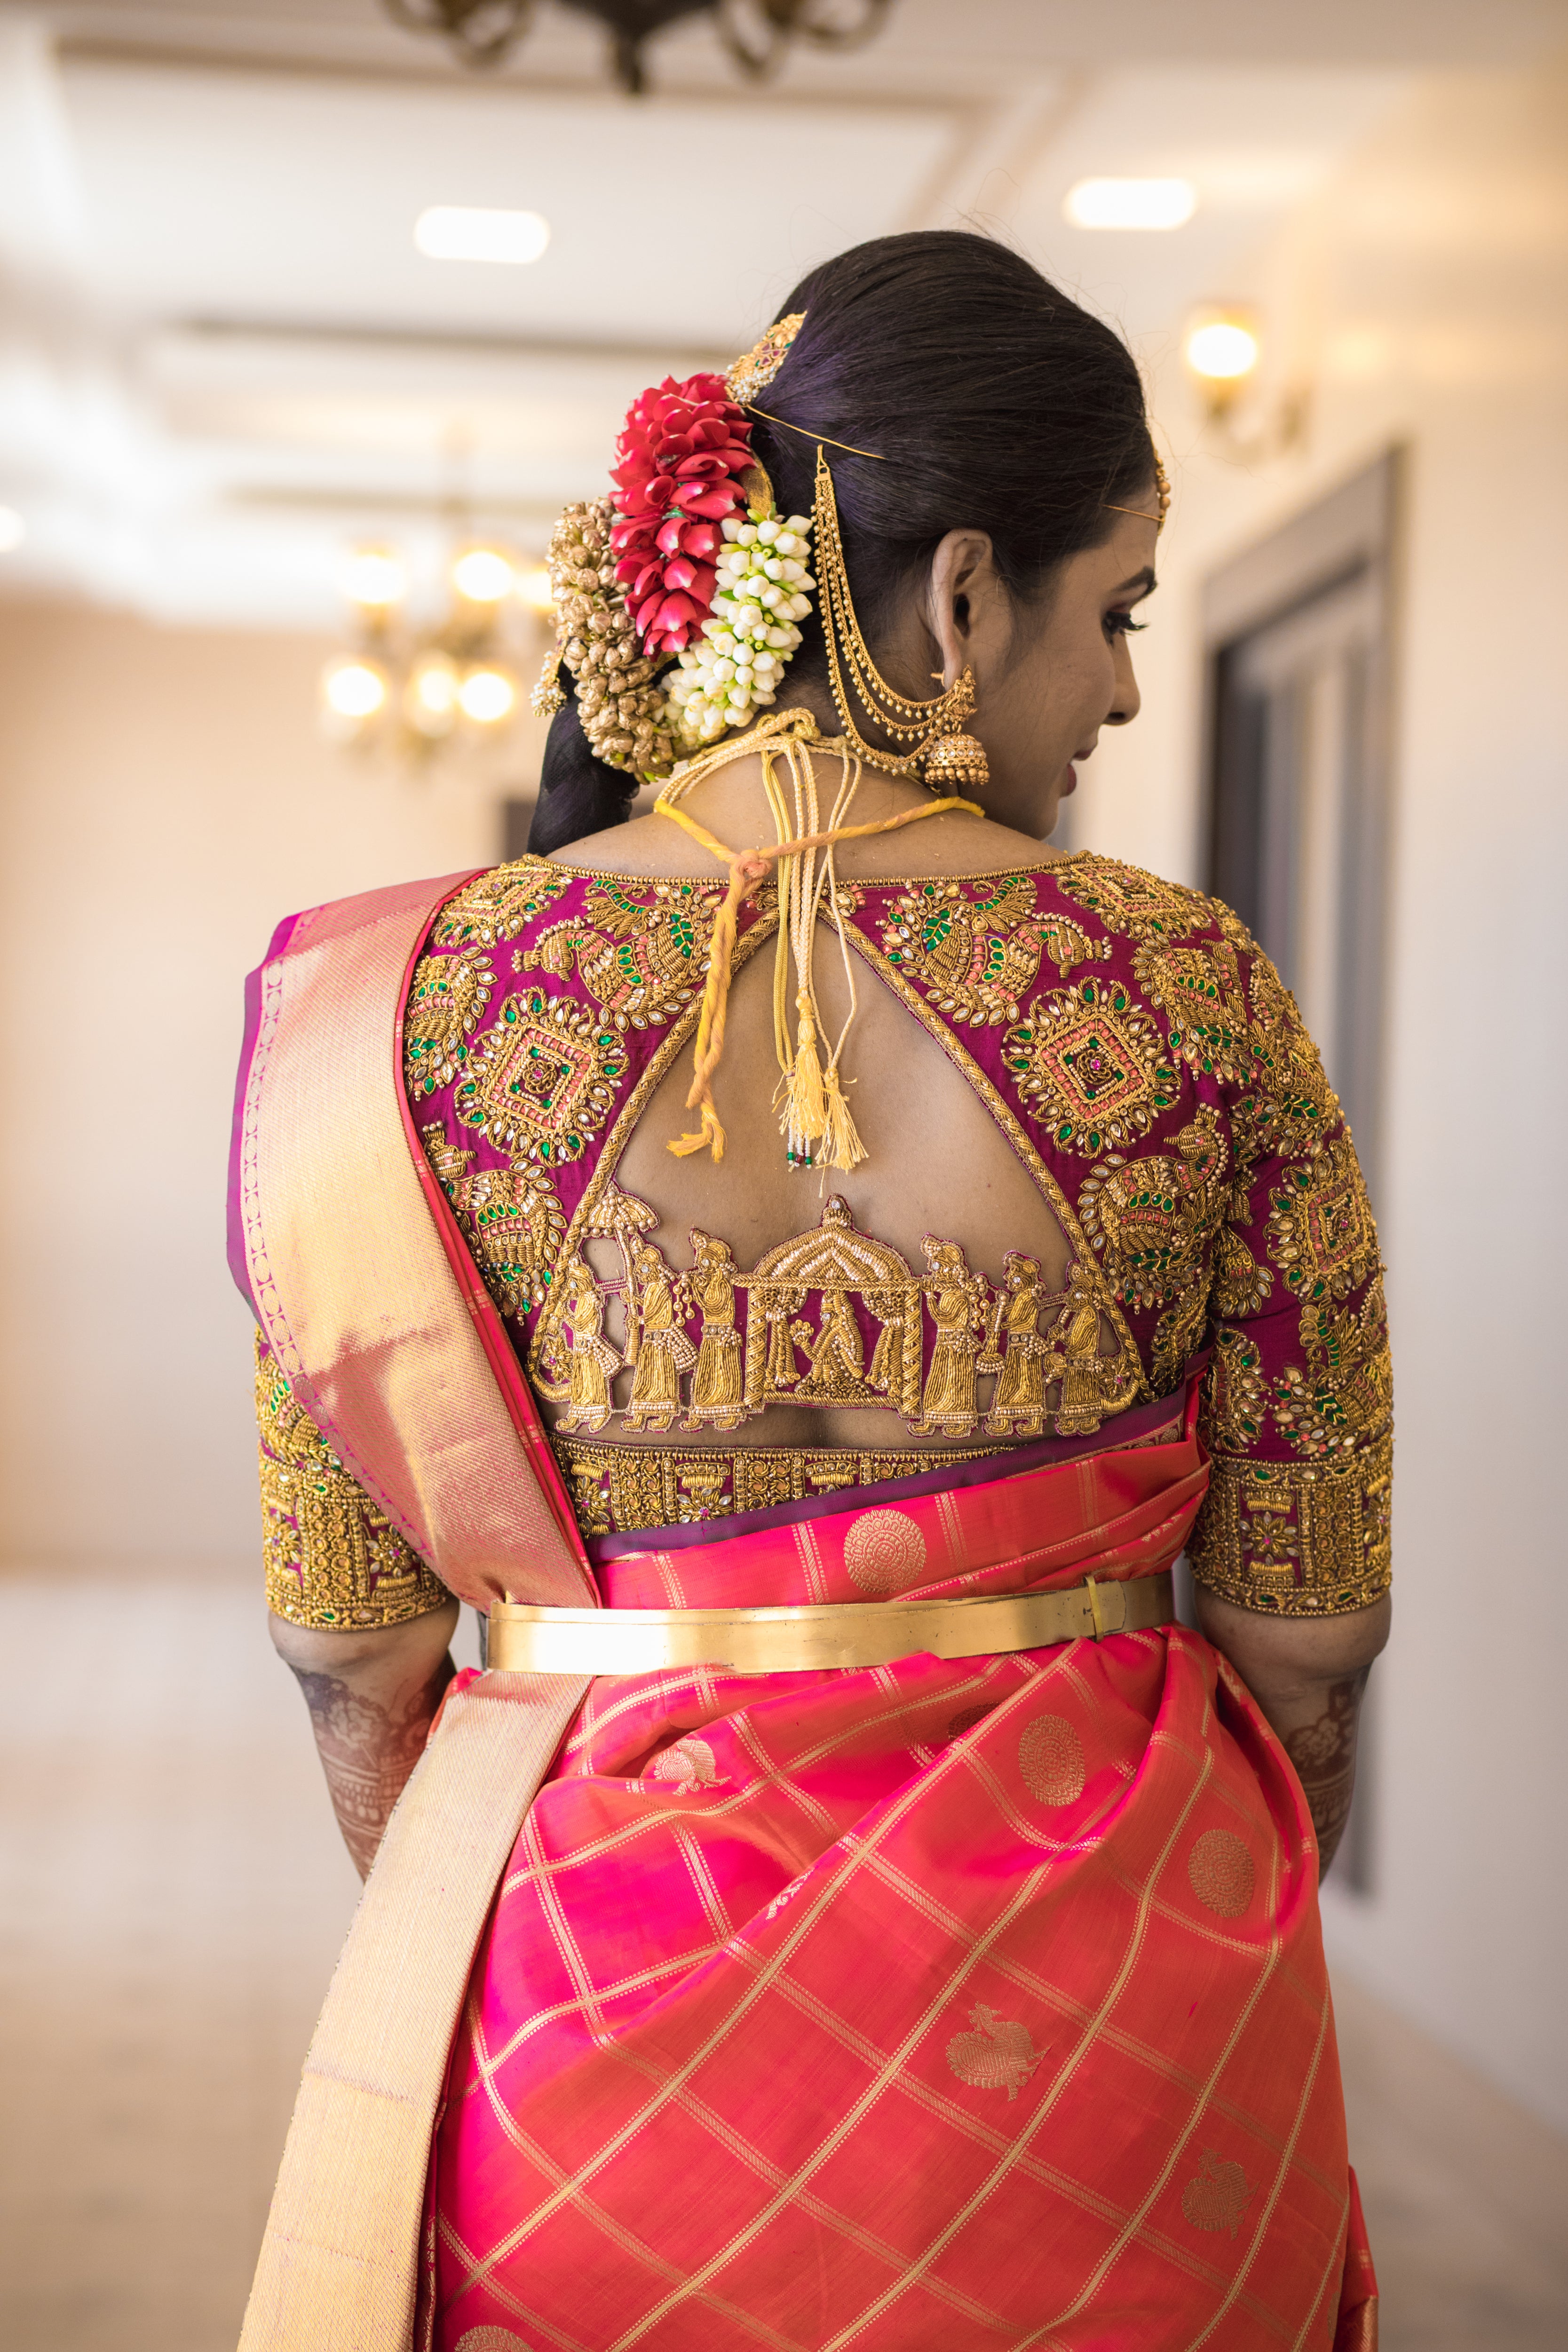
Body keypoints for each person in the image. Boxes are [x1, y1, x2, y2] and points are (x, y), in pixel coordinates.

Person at [233, 232, 1387, 2352]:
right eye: (1114, 609)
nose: (1128, 687)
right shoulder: (1192, 984)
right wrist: (1191, 1917)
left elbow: (349, 1643)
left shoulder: (399, 1006)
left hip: (594, 2035)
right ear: (963, 597)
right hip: (1124, 2052)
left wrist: (498, 1929)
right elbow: (1307, 1626)